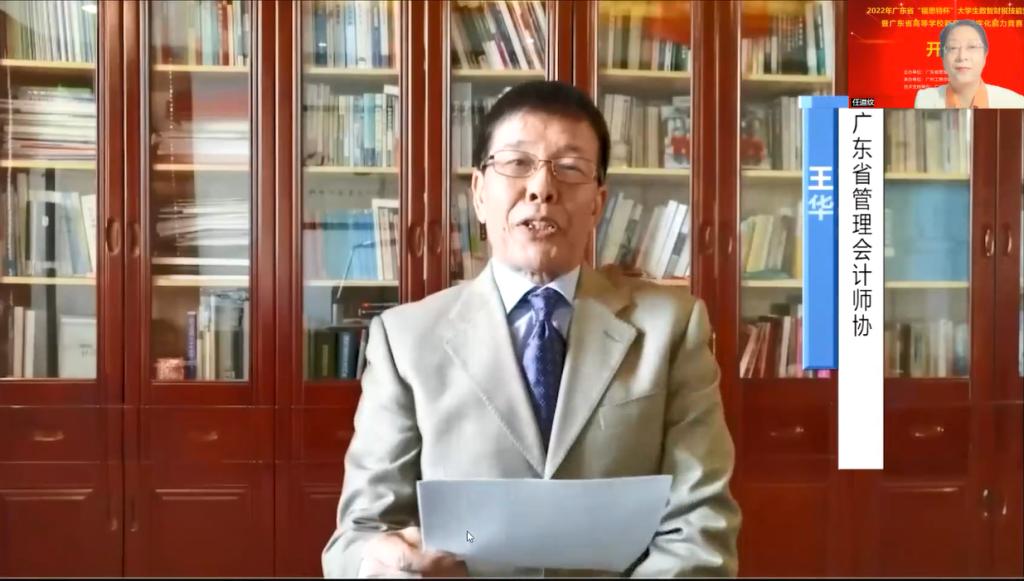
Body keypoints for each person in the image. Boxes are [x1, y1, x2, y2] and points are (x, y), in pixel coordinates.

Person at [322, 80, 741, 577]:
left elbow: (699, 526)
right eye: (517, 163)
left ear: (598, 203)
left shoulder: (671, 328)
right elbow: (360, 533)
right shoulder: (406, 339)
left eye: (570, 167)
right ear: (479, 194)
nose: (542, 188)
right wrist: (387, 567)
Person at [914, 19, 1024, 108]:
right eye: (953, 47)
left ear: (985, 55)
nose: (962, 57)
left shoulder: (1014, 103)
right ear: (942, 56)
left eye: (972, 47)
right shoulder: (925, 100)